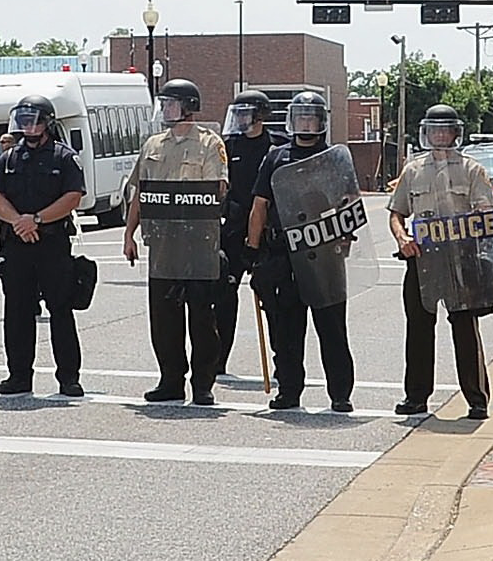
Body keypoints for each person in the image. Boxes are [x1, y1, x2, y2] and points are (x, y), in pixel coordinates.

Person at [249, 90, 361, 412]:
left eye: (311, 117)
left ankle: (341, 393)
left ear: (322, 121)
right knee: (285, 330)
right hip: (283, 255)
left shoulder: (336, 159)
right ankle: (289, 390)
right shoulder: (275, 157)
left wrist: (344, 237)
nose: (306, 123)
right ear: (291, 120)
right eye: (300, 117)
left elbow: (350, 204)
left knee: (332, 329)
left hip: (324, 255)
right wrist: (253, 250)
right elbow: (260, 206)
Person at [123, 79, 232, 405]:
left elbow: (220, 189)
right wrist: (129, 234)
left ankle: (203, 383)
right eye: (164, 103)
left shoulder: (210, 143)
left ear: (188, 106)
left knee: (201, 317)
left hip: (198, 243)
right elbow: (139, 193)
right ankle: (170, 380)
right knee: (164, 318)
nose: (166, 109)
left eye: (171, 103)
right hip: (163, 244)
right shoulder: (153, 144)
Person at [386, 102, 493, 420]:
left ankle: (477, 398)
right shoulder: (413, 170)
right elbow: (397, 213)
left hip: (461, 260)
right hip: (421, 260)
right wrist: (402, 238)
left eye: (445, 130)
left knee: (464, 328)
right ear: (425, 133)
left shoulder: (473, 170)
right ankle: (416, 397)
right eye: (433, 130)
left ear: (455, 133)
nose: (439, 135)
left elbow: (486, 214)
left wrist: (467, 225)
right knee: (419, 328)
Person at [0, 95, 87, 397]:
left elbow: (73, 196)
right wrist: (19, 221)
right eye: (24, 120)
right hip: (17, 244)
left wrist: (38, 220)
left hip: (52, 243)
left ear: (47, 123)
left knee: (60, 309)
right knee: (17, 312)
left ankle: (68, 377)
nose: (28, 126)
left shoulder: (63, 157)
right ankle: (18, 376)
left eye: (34, 120)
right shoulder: (9, 158)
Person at [220, 90, 277, 387]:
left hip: (266, 233)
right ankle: (218, 361)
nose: (241, 118)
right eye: (238, 113)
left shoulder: (276, 147)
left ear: (260, 115)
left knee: (273, 298)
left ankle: (283, 363)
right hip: (232, 231)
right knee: (224, 295)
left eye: (246, 113)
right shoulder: (228, 145)